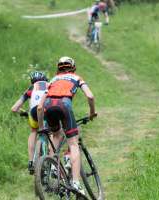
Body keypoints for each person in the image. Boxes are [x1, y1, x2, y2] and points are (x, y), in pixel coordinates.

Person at [37, 57, 97, 195]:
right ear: (73, 67)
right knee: (74, 144)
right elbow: (90, 96)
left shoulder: (52, 80)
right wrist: (92, 113)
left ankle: (53, 166)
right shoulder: (76, 77)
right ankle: (76, 183)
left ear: (58, 68)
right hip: (64, 105)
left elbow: (40, 107)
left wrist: (41, 128)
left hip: (48, 106)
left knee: (55, 134)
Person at [11, 71, 49, 174]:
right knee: (53, 133)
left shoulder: (31, 89)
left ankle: (31, 161)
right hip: (47, 110)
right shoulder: (49, 85)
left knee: (33, 132)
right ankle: (50, 161)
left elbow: (14, 108)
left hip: (33, 112)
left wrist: (24, 113)